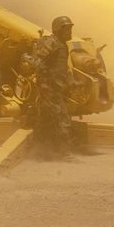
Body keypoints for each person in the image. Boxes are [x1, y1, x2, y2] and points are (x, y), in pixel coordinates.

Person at [30, 15, 75, 159]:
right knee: (62, 119)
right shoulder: (52, 43)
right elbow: (38, 62)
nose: (70, 32)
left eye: (70, 28)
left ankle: (39, 149)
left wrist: (70, 82)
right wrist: (43, 83)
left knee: (45, 119)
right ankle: (65, 153)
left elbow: (62, 68)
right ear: (58, 30)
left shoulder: (63, 45)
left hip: (56, 88)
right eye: (67, 29)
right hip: (49, 89)